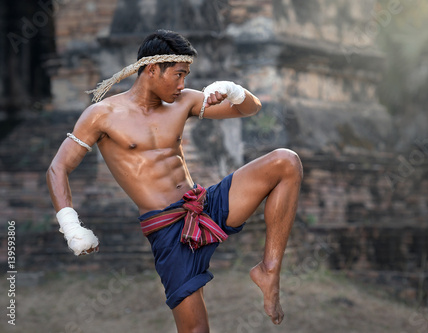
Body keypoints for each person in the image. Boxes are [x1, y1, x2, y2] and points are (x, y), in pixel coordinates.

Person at [46, 29, 302, 332]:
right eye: (179, 75)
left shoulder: (183, 102)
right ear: (153, 70)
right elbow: (58, 167)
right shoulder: (102, 115)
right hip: (168, 230)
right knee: (196, 330)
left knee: (286, 161)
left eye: (187, 75)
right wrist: (71, 227)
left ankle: (268, 270)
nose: (183, 84)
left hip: (203, 205)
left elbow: (251, 108)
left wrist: (233, 90)